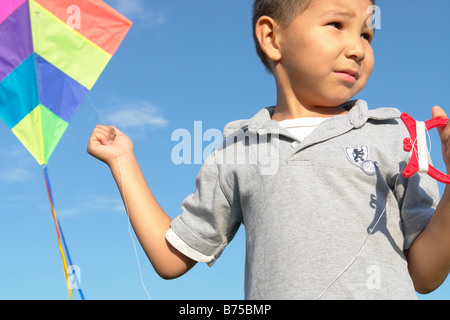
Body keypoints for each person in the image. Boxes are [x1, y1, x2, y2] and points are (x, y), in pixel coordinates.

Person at [87, 0, 450, 299]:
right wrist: (122, 160)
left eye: (367, 34)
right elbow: (171, 259)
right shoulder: (238, 150)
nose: (358, 48)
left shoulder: (394, 136)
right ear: (271, 38)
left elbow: (426, 275)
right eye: (337, 25)